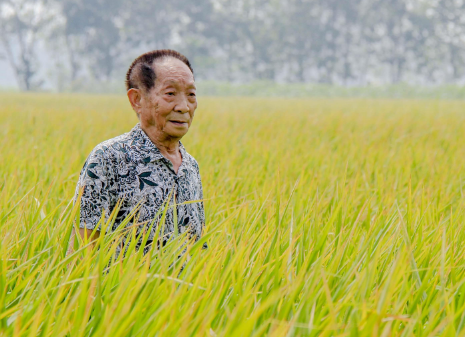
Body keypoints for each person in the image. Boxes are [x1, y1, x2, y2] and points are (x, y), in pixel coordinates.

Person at [67, 49, 205, 258]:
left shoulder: (190, 166)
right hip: (122, 290)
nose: (184, 107)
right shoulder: (109, 158)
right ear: (137, 100)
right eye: (170, 94)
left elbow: (198, 248)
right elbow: (81, 251)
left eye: (191, 95)